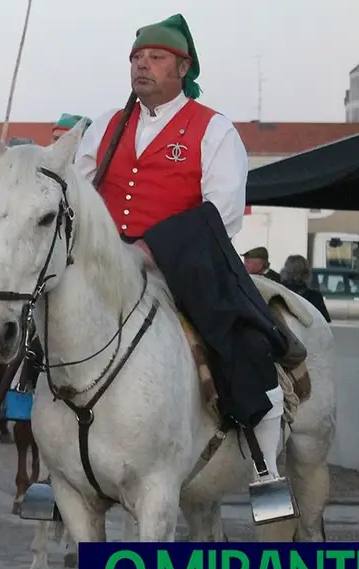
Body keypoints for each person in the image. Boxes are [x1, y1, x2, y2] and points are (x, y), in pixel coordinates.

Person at [73, 13, 293, 511]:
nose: (141, 66)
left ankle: (265, 466)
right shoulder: (108, 124)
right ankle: (50, 452)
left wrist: (157, 248)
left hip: (184, 266)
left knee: (248, 343)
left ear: (182, 66)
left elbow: (224, 210)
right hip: (106, 269)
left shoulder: (212, 128)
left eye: (154, 57)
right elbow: (77, 190)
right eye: (135, 58)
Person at [280, 255, 331, 322]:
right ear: (307, 274)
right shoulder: (315, 297)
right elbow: (325, 321)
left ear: (285, 271)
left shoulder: (277, 293)